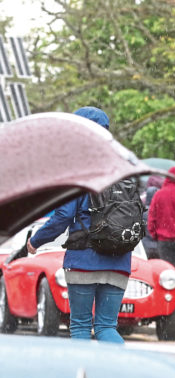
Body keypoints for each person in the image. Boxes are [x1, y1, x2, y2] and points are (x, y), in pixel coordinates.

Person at [25, 106, 132, 343]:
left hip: (84, 258)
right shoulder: (123, 164)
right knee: (106, 327)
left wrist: (35, 241)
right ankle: (119, 374)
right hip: (120, 257)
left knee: (81, 326)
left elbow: (63, 215)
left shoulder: (78, 167)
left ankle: (81, 377)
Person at [147, 166, 175, 303]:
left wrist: (155, 234)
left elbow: (152, 218)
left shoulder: (159, 194)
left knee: (167, 273)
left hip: (164, 241)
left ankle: (168, 302)